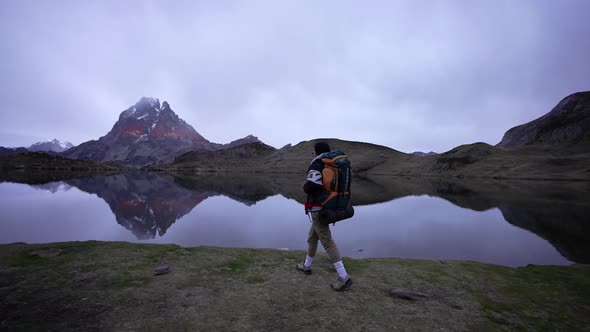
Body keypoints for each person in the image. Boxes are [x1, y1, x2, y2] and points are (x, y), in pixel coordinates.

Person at [296, 141, 353, 291]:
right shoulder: (330, 164)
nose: (312, 153)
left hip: (318, 208)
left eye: (313, 150)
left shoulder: (317, 164)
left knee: (327, 241)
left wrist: (305, 186)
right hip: (326, 205)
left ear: (316, 151)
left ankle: (343, 277)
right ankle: (307, 266)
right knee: (312, 237)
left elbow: (313, 185)